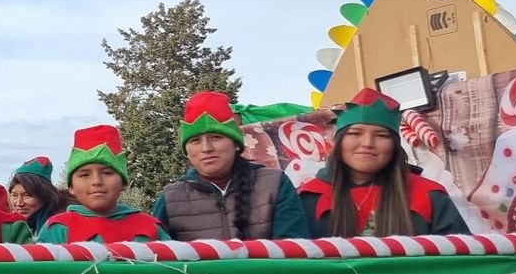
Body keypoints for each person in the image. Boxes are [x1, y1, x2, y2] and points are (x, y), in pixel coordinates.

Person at [297, 89, 470, 237]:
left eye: (381, 135)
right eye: (355, 133)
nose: (367, 143)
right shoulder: (307, 198)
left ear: (395, 145)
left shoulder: (429, 195)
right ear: (339, 142)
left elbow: (462, 258)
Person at [153, 92, 309, 240]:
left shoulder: (275, 184)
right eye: (195, 141)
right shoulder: (170, 199)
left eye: (216, 137)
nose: (206, 148)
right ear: (186, 150)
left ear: (236, 144)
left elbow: (295, 250)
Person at [39, 126, 168, 243]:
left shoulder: (150, 227)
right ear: (71, 186)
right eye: (84, 175)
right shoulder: (57, 229)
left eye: (107, 173)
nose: (96, 181)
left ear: (123, 182)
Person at [6, 157, 68, 235]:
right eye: (14, 195)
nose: (19, 203)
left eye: (27, 195)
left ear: (45, 194)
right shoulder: (12, 228)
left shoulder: (61, 227)